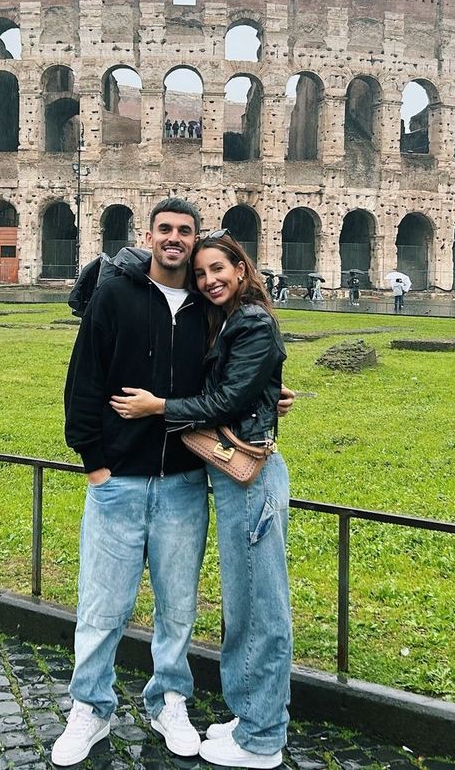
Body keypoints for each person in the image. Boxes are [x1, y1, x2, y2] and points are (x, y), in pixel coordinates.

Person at [54, 199, 294, 766]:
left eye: (185, 232)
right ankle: (90, 706)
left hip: (188, 480)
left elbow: (232, 380)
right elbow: (83, 381)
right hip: (119, 478)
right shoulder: (116, 295)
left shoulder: (209, 311)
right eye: (165, 230)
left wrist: (265, 395)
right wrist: (94, 461)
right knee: (101, 607)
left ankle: (169, 701)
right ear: (149, 234)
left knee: (178, 610)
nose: (176, 240)